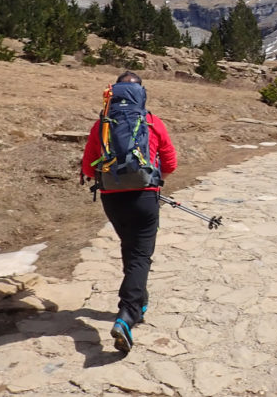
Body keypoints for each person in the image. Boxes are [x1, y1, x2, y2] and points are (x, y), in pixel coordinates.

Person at [81, 71, 177, 353]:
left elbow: (89, 168)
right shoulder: (152, 122)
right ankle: (128, 313)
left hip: (112, 198)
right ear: (141, 94)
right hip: (145, 195)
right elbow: (170, 161)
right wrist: (156, 177)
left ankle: (139, 301)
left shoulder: (102, 125)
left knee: (130, 246)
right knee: (140, 254)